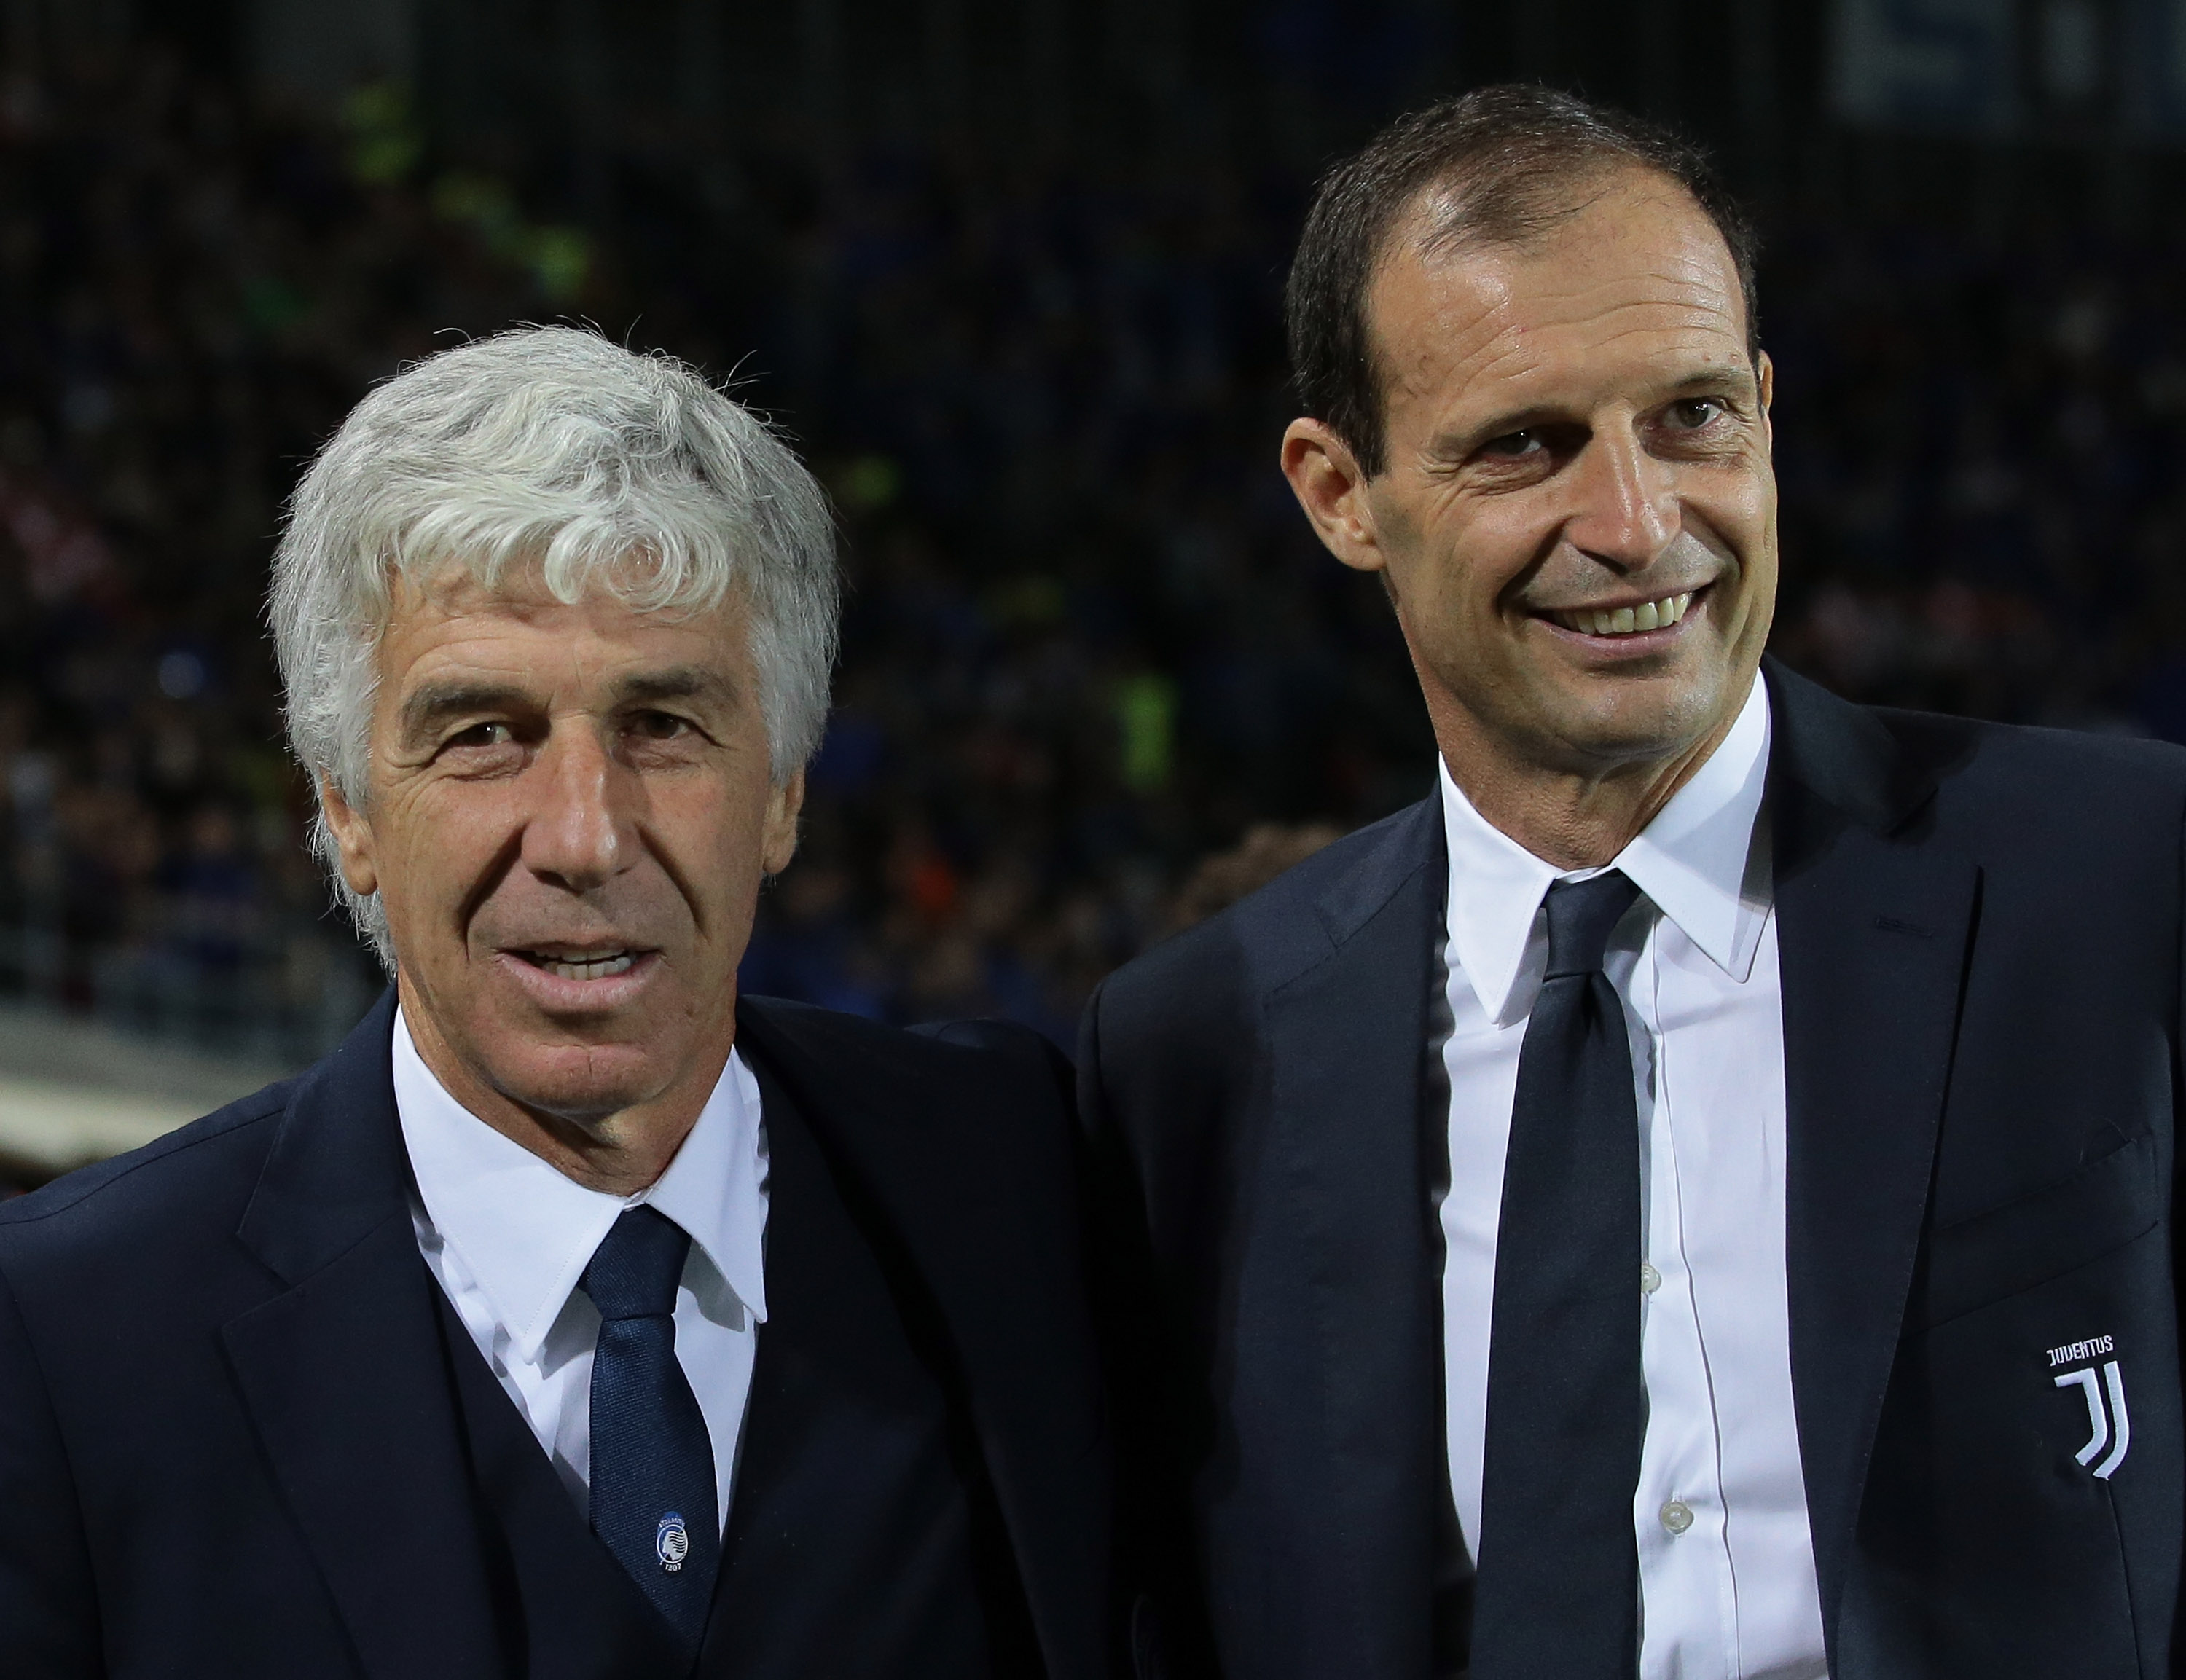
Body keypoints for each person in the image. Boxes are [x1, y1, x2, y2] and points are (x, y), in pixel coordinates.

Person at [1079, 85, 2185, 1680]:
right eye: (1526, 444)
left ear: (1766, 413)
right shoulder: (1196, 1052)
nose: (1638, 522)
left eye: (1691, 418)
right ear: (1339, 493)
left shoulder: (2120, 880)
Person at [0, 327, 1110, 1679]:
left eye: (664, 725)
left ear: (783, 793)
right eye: (481, 735)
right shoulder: (71, 1336)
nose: (584, 835)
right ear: (346, 812)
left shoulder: (1020, 1179)